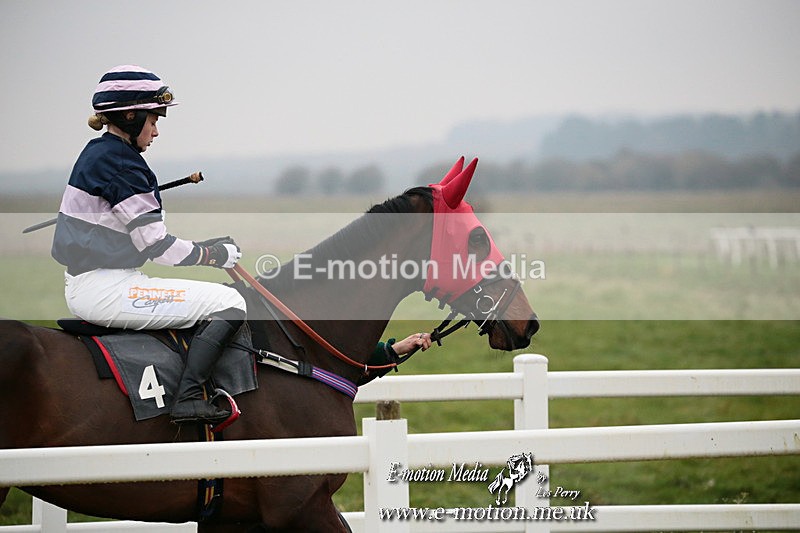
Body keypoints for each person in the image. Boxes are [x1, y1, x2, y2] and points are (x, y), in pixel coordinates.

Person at [52, 65, 246, 426]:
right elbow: (159, 248)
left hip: (96, 282)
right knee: (231, 302)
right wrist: (215, 255)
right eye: (153, 119)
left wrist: (205, 247)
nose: (156, 130)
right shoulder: (125, 166)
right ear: (130, 115)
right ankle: (188, 398)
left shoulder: (99, 152)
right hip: (108, 288)